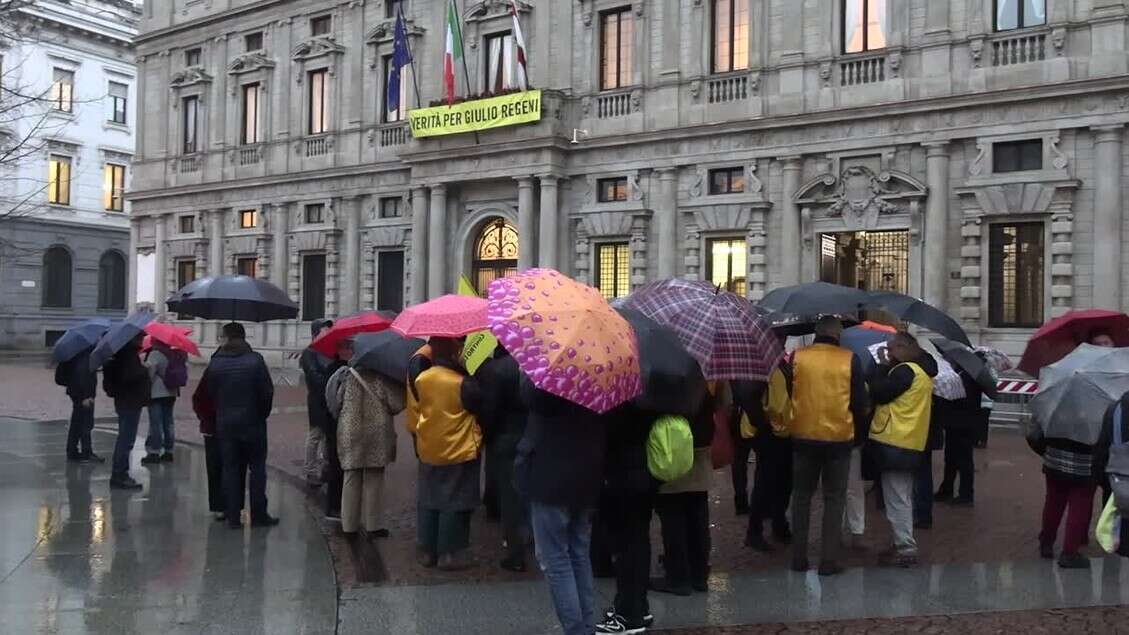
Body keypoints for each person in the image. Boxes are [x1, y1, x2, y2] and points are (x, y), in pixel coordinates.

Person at [516, 377, 607, 635]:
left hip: (551, 476)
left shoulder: (549, 374)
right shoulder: (598, 374)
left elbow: (529, 398)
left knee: (555, 558)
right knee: (578, 552)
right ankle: (586, 626)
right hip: (586, 472)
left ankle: (576, 629)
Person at [786, 316, 869, 576]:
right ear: (837, 334)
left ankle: (798, 557)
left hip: (803, 435)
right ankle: (828, 560)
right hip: (839, 438)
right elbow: (859, 403)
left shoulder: (797, 357)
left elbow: (790, 392)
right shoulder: (849, 359)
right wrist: (859, 436)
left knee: (801, 497)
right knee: (834, 499)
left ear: (816, 333)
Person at [409, 337, 483, 570]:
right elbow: (480, 407)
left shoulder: (423, 379)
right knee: (456, 501)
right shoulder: (462, 382)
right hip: (458, 449)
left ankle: (427, 551)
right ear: (453, 350)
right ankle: (450, 554)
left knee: (429, 500)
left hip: (429, 447)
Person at [868, 331, 938, 568]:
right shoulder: (923, 372)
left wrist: (879, 366)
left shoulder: (904, 371)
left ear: (902, 346)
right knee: (903, 495)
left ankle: (905, 545)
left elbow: (879, 392)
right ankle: (901, 541)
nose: (889, 353)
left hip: (893, 440)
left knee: (896, 497)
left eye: (891, 348)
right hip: (911, 440)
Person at [653, 383, 724, 595]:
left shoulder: (653, 364)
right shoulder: (706, 365)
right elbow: (723, 404)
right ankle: (699, 575)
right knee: (699, 512)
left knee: (672, 515)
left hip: (668, 446)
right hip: (699, 445)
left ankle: (678, 578)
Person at [206, 322, 277, 528]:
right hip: (253, 422)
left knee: (230, 468)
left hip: (226, 424)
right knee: (257, 468)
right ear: (244, 337)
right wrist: (260, 415)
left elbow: (211, 393)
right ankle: (259, 514)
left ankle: (233, 516)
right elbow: (267, 393)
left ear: (227, 337)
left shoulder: (215, 362)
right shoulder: (256, 360)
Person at [596, 404, 657, 635]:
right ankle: (638, 605)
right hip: (645, 471)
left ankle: (627, 614)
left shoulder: (620, 398)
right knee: (639, 540)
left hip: (622, 475)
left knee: (626, 546)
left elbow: (611, 434)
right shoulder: (652, 387)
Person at [475, 348, 531, 572]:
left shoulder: (497, 370)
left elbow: (490, 410)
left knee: (510, 495)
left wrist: (486, 437)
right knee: (528, 491)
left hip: (505, 439)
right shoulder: (534, 365)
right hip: (531, 436)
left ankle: (515, 551)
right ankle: (530, 537)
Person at [336, 359, 406, 538]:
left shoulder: (347, 375)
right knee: (374, 478)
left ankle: (349, 526)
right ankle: (373, 526)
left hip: (350, 430)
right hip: (376, 432)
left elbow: (336, 401)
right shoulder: (381, 377)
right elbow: (397, 404)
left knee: (351, 476)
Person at [737, 373, 794, 552]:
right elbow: (748, 396)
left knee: (782, 479)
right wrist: (763, 424)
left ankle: (778, 523)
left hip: (781, 431)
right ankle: (755, 531)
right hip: (770, 433)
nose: (782, 342)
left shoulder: (774, 362)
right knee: (766, 481)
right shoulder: (762, 367)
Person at [102, 334, 151, 490]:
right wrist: (144, 370)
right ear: (134, 339)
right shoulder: (128, 356)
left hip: (123, 400)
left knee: (125, 438)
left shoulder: (117, 355)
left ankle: (120, 473)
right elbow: (129, 376)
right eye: (141, 337)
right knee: (126, 439)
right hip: (130, 401)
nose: (143, 340)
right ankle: (120, 474)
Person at [934, 365, 985, 506]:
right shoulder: (965, 375)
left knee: (964, 460)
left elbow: (961, 399)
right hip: (957, 423)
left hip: (963, 423)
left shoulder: (967, 377)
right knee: (951, 458)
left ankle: (965, 495)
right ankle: (947, 489)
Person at [299, 319, 334, 489]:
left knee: (329, 436)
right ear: (315, 333)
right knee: (315, 435)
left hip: (330, 400)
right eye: (323, 331)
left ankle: (326, 467)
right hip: (317, 401)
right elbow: (314, 378)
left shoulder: (330, 351)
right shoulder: (309, 353)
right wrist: (332, 381)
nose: (327, 333)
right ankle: (310, 470)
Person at [192, 364, 229, 520]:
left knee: (214, 467)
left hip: (212, 426)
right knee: (235, 466)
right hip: (238, 425)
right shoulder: (252, 364)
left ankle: (219, 506)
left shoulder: (213, 368)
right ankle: (234, 505)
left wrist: (205, 418)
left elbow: (198, 398)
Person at [322, 338, 352, 522]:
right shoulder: (338, 371)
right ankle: (333, 507)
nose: (351, 350)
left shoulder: (343, 368)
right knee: (337, 466)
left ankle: (340, 505)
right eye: (347, 346)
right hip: (336, 423)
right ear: (339, 349)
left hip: (337, 423)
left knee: (341, 465)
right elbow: (333, 400)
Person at [142, 340, 186, 464]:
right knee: (168, 422)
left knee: (156, 423)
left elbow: (151, 373)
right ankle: (169, 451)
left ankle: (154, 452)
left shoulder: (155, 354)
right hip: (171, 391)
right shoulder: (174, 353)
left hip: (156, 392)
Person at [59, 345, 102, 463]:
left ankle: (72, 450)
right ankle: (86, 452)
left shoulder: (74, 350)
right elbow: (82, 374)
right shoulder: (85, 353)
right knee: (85, 423)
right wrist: (86, 396)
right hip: (83, 394)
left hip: (75, 391)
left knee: (77, 422)